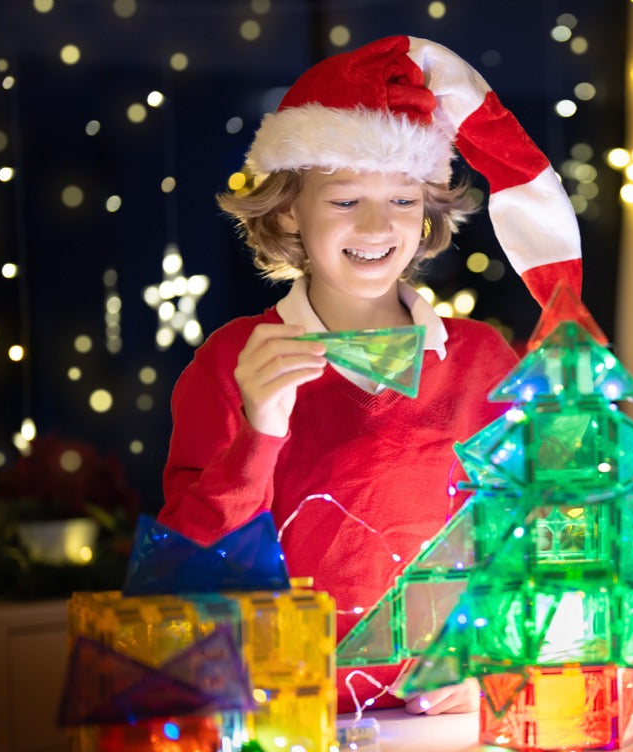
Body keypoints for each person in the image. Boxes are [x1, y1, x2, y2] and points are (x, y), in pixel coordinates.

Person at [157, 35, 583, 715]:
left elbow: (534, 536)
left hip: (445, 727)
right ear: (291, 208)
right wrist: (260, 433)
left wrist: (490, 653)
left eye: (404, 201)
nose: (379, 224)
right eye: (346, 200)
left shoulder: (480, 361)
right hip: (288, 722)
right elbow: (184, 573)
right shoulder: (235, 359)